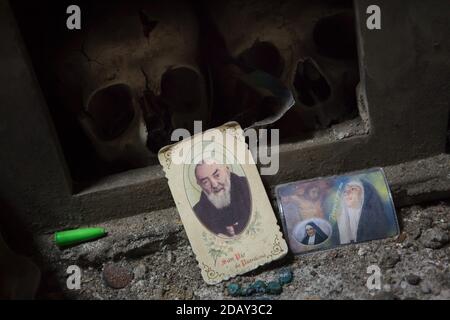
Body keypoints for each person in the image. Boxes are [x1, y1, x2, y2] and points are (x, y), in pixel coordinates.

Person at [193, 159, 251, 237]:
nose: (214, 185)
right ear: (199, 184)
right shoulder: (197, 215)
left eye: (217, 175)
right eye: (205, 182)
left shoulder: (250, 187)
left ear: (227, 170)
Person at [337, 179, 391, 244]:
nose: (347, 193)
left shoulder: (374, 220)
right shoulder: (337, 226)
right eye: (345, 191)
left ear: (363, 194)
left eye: (353, 189)